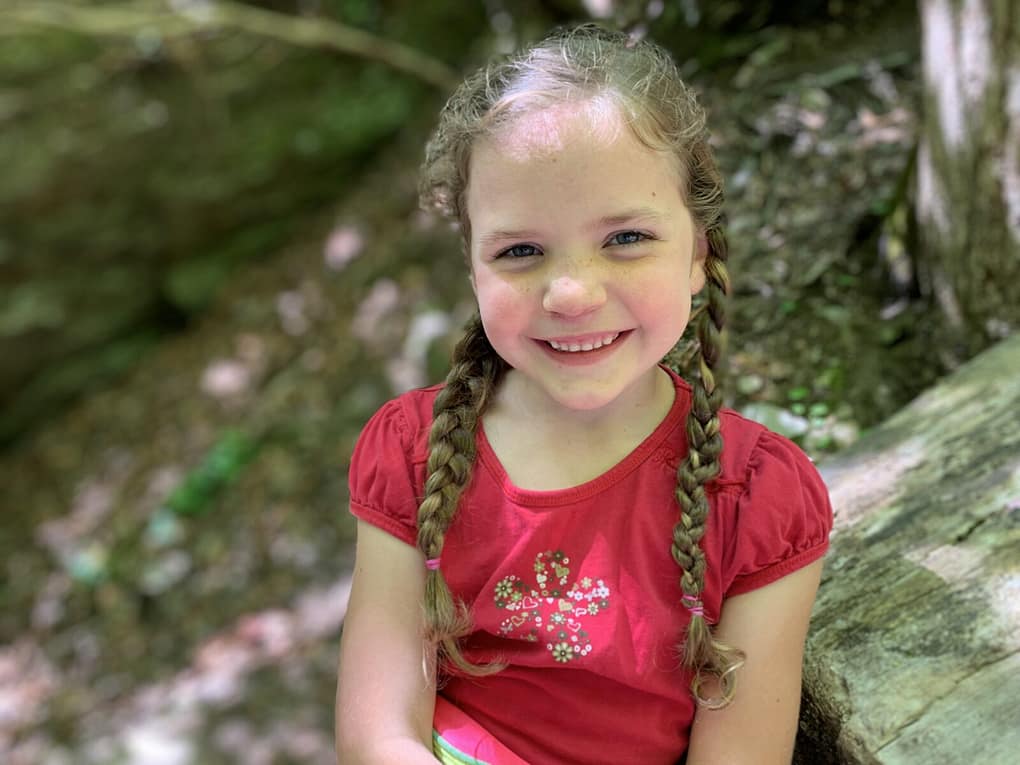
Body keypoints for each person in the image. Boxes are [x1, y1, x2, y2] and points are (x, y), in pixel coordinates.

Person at [336, 24, 833, 765]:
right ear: (474, 272)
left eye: (626, 237)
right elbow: (377, 730)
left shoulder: (759, 500)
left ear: (698, 253)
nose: (571, 292)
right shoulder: (415, 453)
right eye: (521, 251)